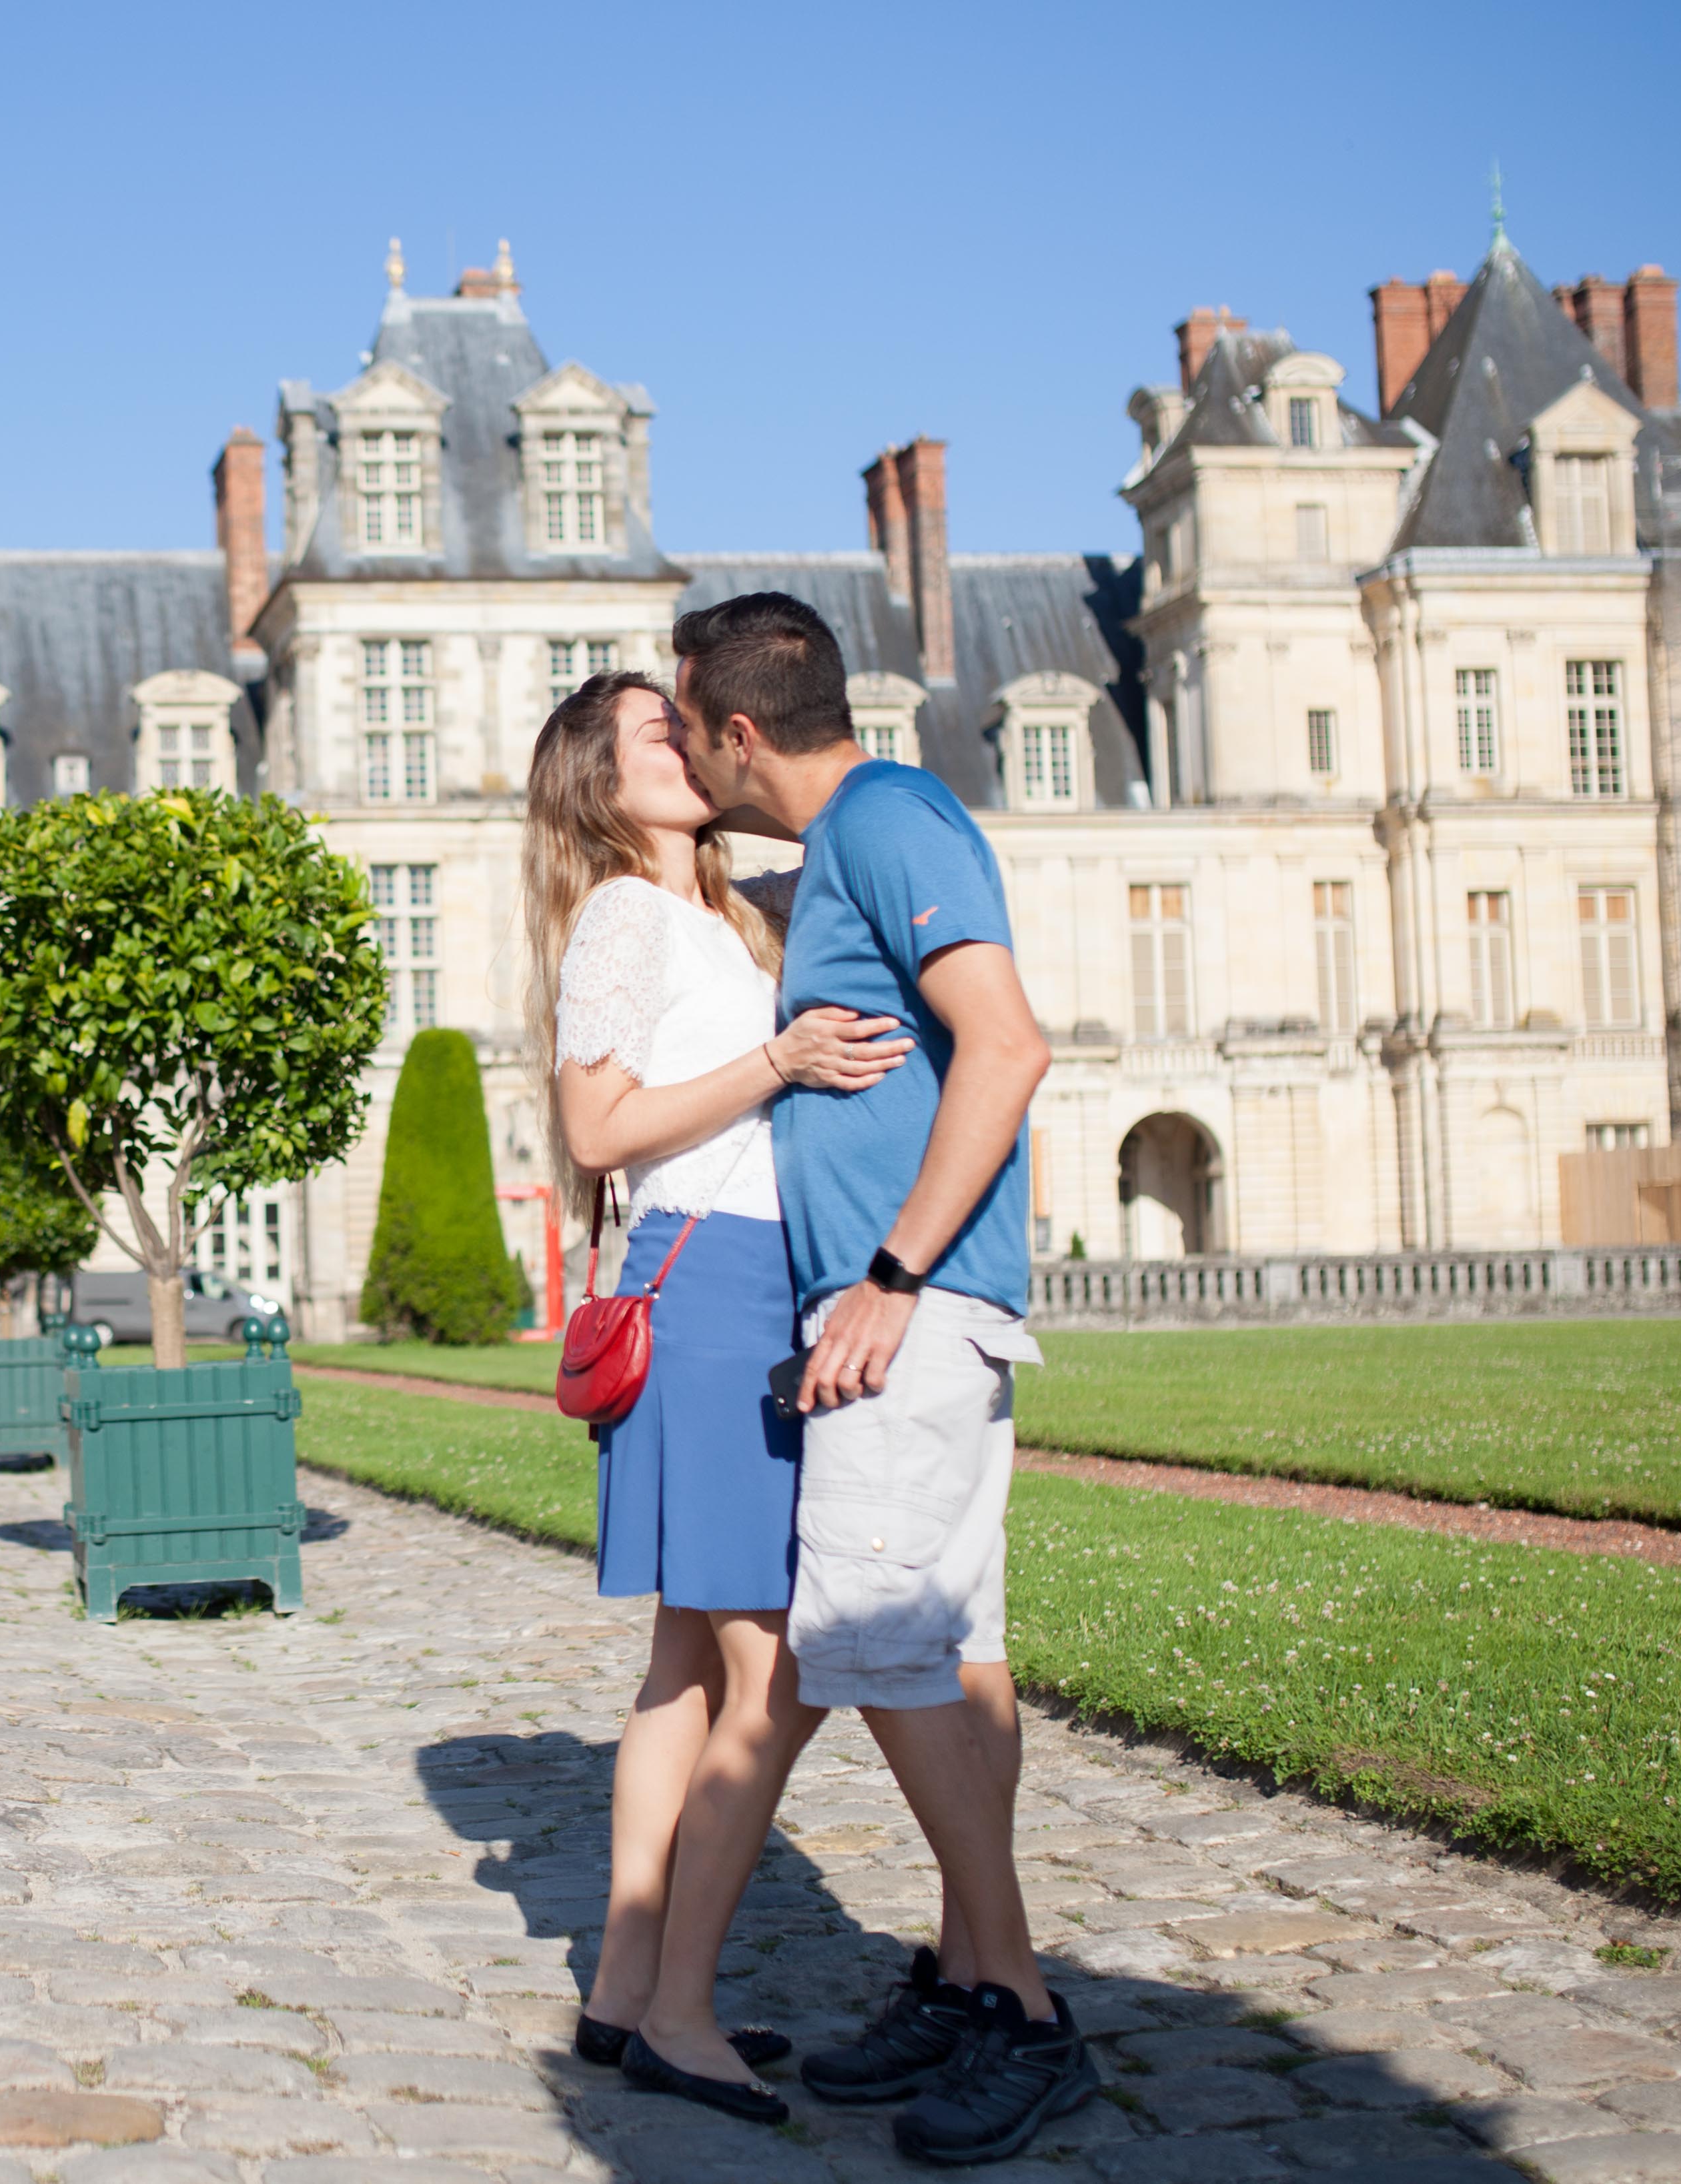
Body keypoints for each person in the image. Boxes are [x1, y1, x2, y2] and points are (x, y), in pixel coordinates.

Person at [672, 592, 1083, 2165]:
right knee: (953, 1653)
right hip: (899, 1314)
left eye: (684, 723)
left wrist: (891, 1274)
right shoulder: (844, 845)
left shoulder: (891, 815)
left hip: (901, 1316)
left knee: (870, 1638)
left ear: (738, 731)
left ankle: (1023, 2009)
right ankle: (970, 1976)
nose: (682, 749)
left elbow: (1006, 1043)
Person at [527, 669, 912, 2127]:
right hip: (709, 1290)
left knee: (687, 1667)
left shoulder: (718, 909)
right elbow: (598, 1128)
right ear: (599, 781)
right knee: (774, 1672)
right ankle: (683, 2010)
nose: (682, 741)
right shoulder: (628, 914)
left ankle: (628, 1993)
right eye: (652, 731)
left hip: (738, 1280)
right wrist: (777, 1058)